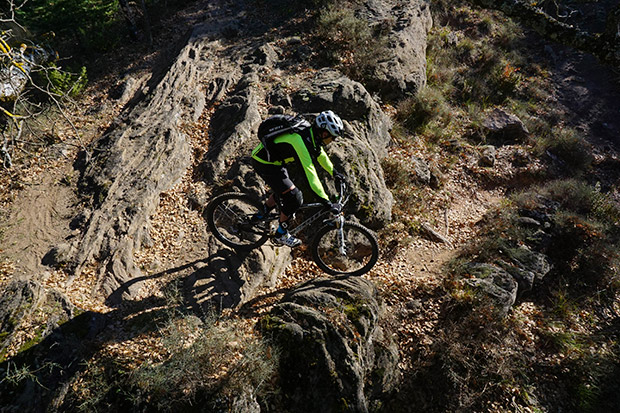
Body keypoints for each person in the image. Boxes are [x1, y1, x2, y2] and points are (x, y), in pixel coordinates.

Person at [251, 110, 345, 247]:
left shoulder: (310, 135)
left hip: (276, 163)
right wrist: (326, 202)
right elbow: (310, 173)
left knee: (282, 191)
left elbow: (320, 154)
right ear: (324, 133)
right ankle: (281, 234)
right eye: (333, 137)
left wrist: (334, 172)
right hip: (264, 164)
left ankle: (260, 216)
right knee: (295, 197)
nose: (333, 140)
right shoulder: (299, 141)